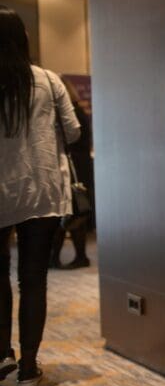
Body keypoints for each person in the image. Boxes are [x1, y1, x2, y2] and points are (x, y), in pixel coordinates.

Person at [1, 5, 81, 386]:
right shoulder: (48, 81)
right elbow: (74, 131)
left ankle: (2, 355)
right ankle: (29, 367)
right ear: (24, 40)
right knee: (32, 281)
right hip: (41, 192)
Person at [50, 77, 93, 269]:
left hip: (73, 168)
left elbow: (71, 139)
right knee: (74, 214)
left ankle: (62, 258)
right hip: (81, 167)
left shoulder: (69, 113)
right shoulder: (79, 111)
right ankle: (75, 257)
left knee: (68, 213)